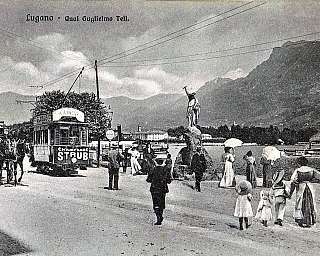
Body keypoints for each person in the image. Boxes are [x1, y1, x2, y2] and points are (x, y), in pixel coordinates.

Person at [289, 157, 317, 228]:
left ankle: (300, 220)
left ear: (299, 163)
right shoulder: (311, 170)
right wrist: (312, 180)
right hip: (309, 186)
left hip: (301, 187)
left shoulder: (298, 170)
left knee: (300, 202)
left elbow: (293, 181)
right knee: (311, 202)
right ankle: (310, 220)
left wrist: (290, 192)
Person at [146, 158, 172, 225]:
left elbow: (148, 180)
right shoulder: (165, 170)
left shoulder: (153, 169)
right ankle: (160, 216)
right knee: (162, 203)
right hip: (163, 189)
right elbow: (169, 181)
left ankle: (158, 217)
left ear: (156, 162)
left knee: (155, 204)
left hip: (154, 189)